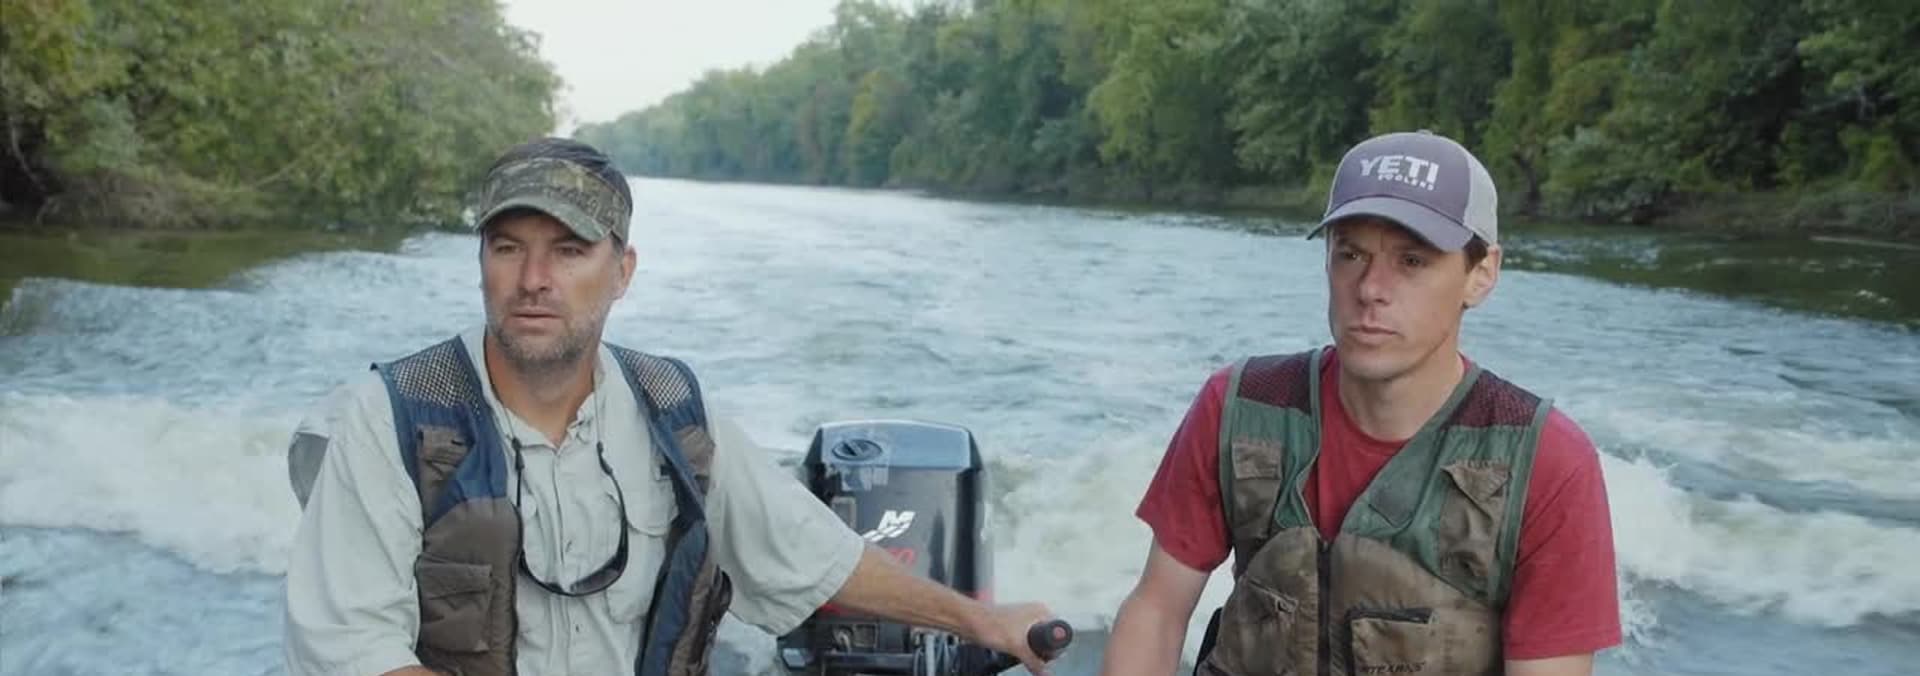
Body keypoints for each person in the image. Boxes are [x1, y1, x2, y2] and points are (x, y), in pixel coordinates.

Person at [283, 137, 1064, 676]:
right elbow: (354, 651)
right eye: (509, 246)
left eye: (569, 250)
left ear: (622, 271)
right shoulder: (391, 416)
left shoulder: (675, 413)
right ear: (482, 260)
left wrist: (979, 621)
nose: (534, 280)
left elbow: (814, 559)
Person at [1100, 131, 1620, 676]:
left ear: (1481, 274)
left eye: (1412, 260)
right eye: (1349, 254)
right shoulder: (1239, 408)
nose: (1370, 288)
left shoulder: (1547, 462)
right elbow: (1157, 610)